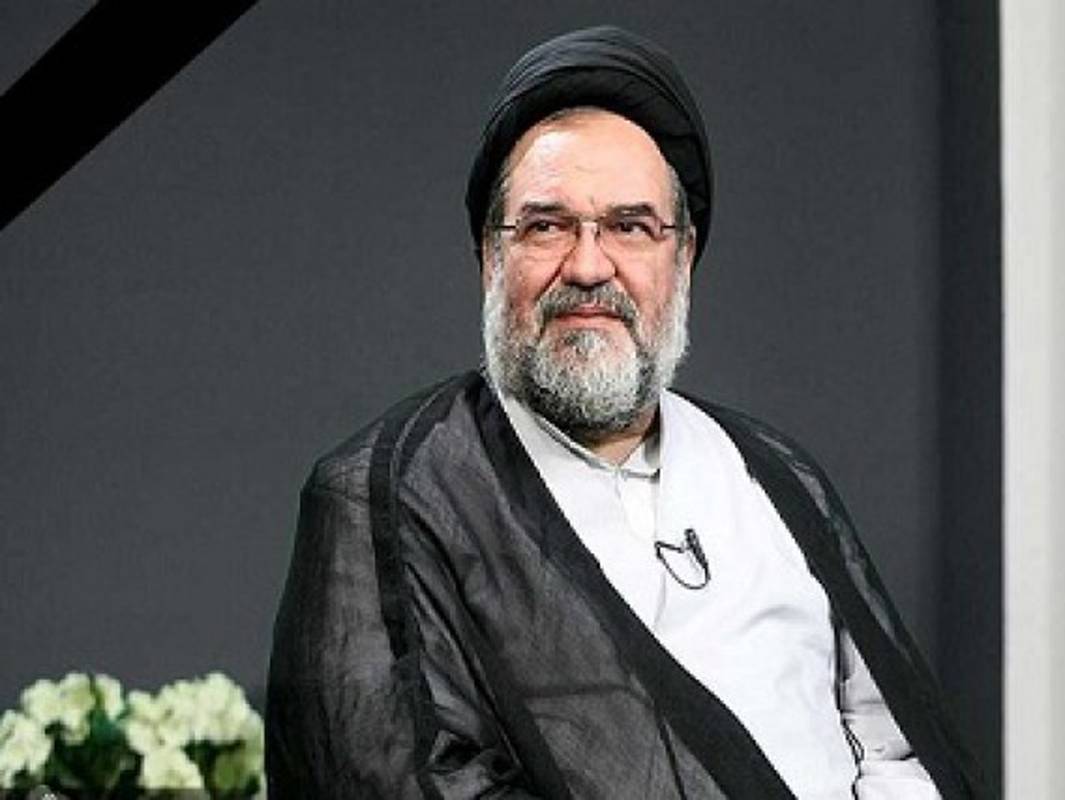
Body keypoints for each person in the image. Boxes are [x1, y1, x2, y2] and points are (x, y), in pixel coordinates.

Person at [266, 25, 986, 800]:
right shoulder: (392, 497)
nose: (587, 266)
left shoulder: (775, 476)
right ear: (490, 257)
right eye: (546, 226)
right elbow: (391, 778)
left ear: (683, 258)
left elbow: (896, 745)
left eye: (630, 227)